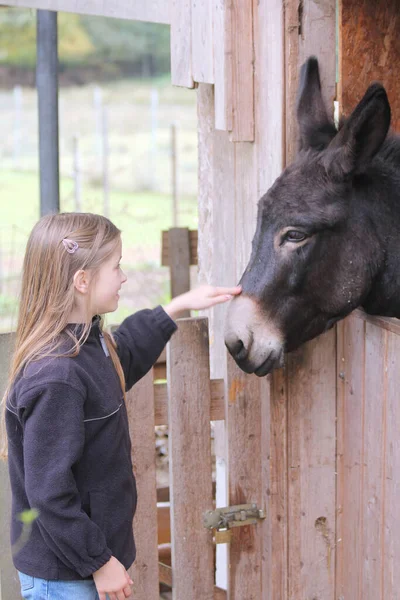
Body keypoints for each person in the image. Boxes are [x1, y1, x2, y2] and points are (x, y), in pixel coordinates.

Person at [1, 212, 241, 600]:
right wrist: (99, 562)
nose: (124, 276)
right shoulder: (57, 376)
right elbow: (49, 495)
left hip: (83, 565)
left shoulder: (87, 345)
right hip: (67, 575)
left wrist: (177, 305)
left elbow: (123, 355)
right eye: (116, 266)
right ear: (82, 281)